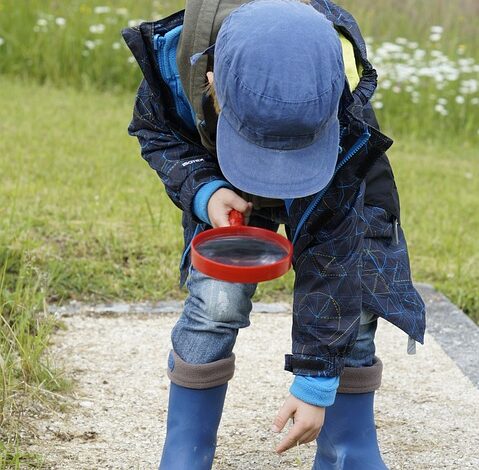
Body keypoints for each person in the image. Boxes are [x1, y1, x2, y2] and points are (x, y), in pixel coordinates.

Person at [122, 0, 426, 468]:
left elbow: (334, 258)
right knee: (215, 300)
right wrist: (204, 191)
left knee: (360, 295)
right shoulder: (173, 64)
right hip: (227, 182)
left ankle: (347, 449)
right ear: (210, 78)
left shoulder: (337, 99)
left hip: (328, 170)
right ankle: (186, 448)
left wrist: (315, 383)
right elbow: (156, 134)